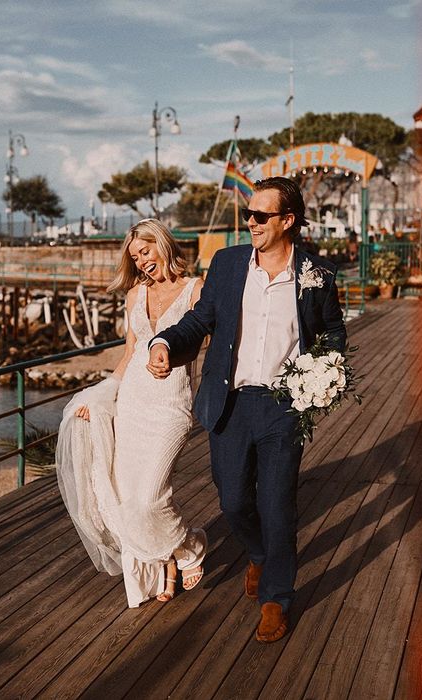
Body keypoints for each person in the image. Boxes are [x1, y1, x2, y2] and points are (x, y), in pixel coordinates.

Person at [148, 177, 347, 643]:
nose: (251, 223)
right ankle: (257, 553)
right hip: (230, 403)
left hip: (283, 407)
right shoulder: (229, 263)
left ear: (287, 221)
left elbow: (332, 332)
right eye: (248, 216)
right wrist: (165, 342)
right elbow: (202, 319)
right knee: (234, 499)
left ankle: (276, 597)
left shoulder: (317, 275)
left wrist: (325, 374)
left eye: (260, 216)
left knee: (278, 505)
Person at [56, 218, 207, 608]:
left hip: (171, 405)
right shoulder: (135, 296)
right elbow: (128, 356)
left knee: (151, 498)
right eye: (135, 256)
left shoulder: (195, 290)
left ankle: (190, 545)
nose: (141, 261)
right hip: (132, 404)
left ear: (163, 245)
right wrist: (103, 395)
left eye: (145, 251)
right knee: (127, 498)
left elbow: (202, 342)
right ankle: (164, 567)